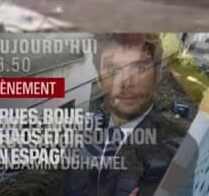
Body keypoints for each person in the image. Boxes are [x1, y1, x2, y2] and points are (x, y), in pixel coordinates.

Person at [61, 33, 197, 196]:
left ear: (158, 74)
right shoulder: (82, 141)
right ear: (98, 79)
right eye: (113, 69)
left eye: (140, 67)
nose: (126, 82)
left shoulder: (181, 156)